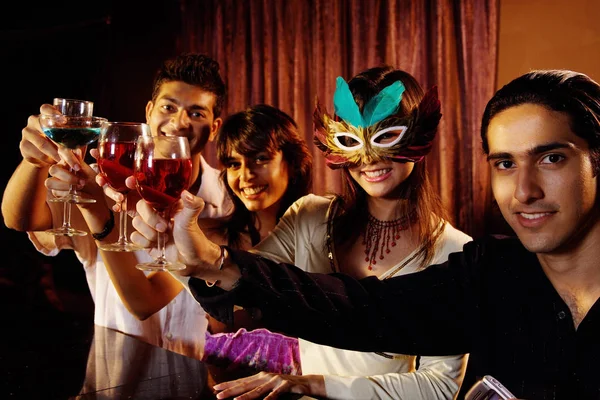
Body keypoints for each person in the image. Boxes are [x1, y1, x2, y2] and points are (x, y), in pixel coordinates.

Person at [130, 68, 600, 400]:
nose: (525, 190)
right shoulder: (493, 273)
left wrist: (315, 383)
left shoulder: (460, 254)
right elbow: (353, 307)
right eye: (504, 163)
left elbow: (437, 385)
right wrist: (212, 260)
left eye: (552, 157)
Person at [1, 53, 234, 359]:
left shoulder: (229, 201)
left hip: (193, 377)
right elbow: (20, 219)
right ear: (149, 112)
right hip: (113, 374)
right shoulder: (105, 184)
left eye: (197, 113)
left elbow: (146, 301)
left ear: (215, 127)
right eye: (168, 107)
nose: (179, 123)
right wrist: (34, 162)